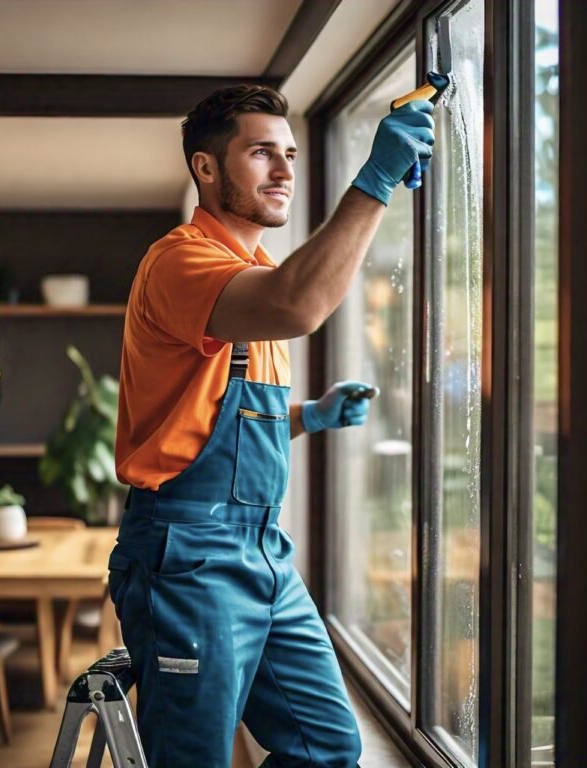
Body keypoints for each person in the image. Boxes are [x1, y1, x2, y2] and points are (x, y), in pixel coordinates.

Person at [111, 84, 434, 768]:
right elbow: (298, 304)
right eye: (262, 154)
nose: (285, 171)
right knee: (192, 756)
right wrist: (374, 181)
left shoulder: (253, 272)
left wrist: (309, 416)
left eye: (289, 154)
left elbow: (210, 420)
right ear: (206, 168)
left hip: (263, 551)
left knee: (325, 748)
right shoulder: (181, 261)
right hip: (186, 553)